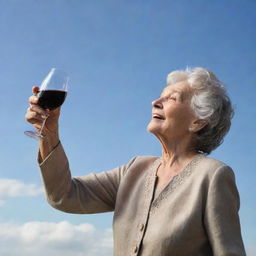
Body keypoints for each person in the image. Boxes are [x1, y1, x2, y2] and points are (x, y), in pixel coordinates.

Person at [25, 67, 246, 256]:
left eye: (171, 98)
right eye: (160, 96)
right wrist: (49, 133)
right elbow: (64, 196)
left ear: (198, 121)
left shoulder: (213, 175)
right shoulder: (134, 170)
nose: (155, 102)